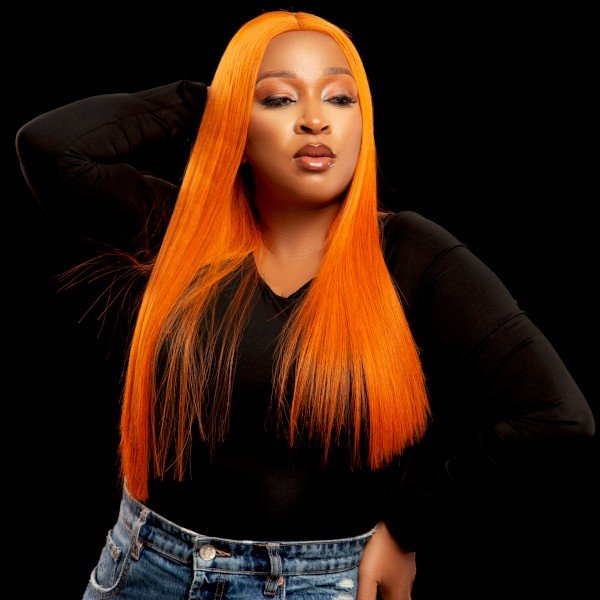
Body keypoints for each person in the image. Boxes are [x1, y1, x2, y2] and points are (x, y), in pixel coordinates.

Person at [15, 9, 594, 600]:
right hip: (145, 569)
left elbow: (556, 414)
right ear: (238, 128)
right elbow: (51, 147)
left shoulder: (412, 254)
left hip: (318, 583)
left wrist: (408, 525)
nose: (315, 119)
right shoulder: (181, 234)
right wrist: (207, 103)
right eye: (278, 99)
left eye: (340, 98)